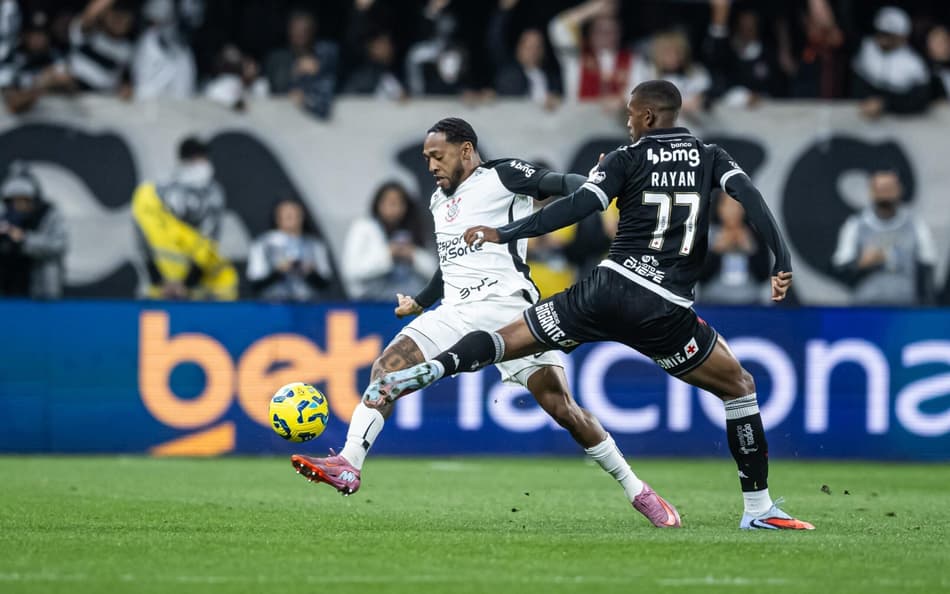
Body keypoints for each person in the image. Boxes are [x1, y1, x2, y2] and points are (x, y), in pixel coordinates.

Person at [367, 82, 814, 531]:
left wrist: (504, 233)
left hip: (607, 290)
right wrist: (782, 259)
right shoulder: (711, 155)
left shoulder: (626, 157)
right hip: (665, 308)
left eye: (630, 114)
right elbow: (751, 199)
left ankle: (437, 368)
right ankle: (758, 509)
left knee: (510, 339)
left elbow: (576, 207)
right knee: (739, 387)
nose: (627, 122)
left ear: (649, 117)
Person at [291, 117, 684, 529]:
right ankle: (349, 463)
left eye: (437, 156)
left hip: (508, 309)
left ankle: (637, 489)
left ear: (465, 150)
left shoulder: (504, 175)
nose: (431, 166)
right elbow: (450, 262)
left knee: (562, 408)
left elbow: (562, 184)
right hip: (455, 310)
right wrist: (421, 301)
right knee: (386, 368)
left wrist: (598, 181)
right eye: (427, 158)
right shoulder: (438, 201)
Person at [131, 136, 237, 300]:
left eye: (202, 157)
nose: (200, 163)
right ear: (183, 160)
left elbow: (209, 245)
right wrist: (160, 281)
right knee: (155, 324)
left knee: (192, 323)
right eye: (194, 158)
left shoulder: (214, 193)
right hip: (159, 287)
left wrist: (186, 284)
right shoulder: (159, 192)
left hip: (195, 287)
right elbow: (146, 236)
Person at [831, 171, 936, 306]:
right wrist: (860, 265)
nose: (885, 194)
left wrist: (928, 309)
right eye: (880, 189)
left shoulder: (915, 225)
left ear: (899, 190)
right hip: (865, 310)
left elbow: (927, 270)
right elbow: (838, 271)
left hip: (906, 311)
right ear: (871, 192)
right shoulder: (855, 226)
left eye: (889, 188)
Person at [341, 181, 437, 300]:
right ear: (378, 204)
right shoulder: (363, 227)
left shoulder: (415, 229)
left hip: (409, 303)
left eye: (399, 203)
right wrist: (389, 254)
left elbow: (434, 272)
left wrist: (412, 255)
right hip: (371, 303)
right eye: (389, 203)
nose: (394, 208)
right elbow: (352, 271)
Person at [0, 162, 68, 299]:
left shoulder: (49, 215)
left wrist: (24, 239)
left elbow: (58, 245)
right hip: (7, 291)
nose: (18, 205)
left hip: (40, 294)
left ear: (34, 200)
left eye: (24, 200)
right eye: (14, 201)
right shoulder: (3, 217)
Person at [246, 198, 335, 302]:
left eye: (296, 215)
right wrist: (279, 272)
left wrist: (309, 272)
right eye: (288, 216)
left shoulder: (315, 245)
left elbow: (325, 282)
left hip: (308, 307)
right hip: (273, 307)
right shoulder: (263, 244)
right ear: (278, 219)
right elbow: (255, 282)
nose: (293, 219)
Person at [851, 6, 931, 118]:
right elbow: (856, 83)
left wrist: (886, 104)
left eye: (889, 35)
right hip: (860, 118)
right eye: (881, 33)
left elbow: (920, 100)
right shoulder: (866, 49)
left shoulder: (914, 63)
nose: (883, 39)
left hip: (901, 124)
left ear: (903, 37)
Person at [697, 191, 771, 305]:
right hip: (713, 303)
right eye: (728, 205)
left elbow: (764, 275)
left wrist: (750, 249)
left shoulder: (755, 235)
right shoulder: (707, 234)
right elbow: (699, 276)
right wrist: (717, 251)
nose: (733, 211)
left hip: (750, 303)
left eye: (738, 205)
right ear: (719, 207)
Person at [486, 0, 562, 110]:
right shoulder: (509, 73)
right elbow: (494, 41)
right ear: (518, 49)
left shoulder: (553, 79)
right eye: (528, 47)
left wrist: (557, 100)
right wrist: (503, 11)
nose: (533, 51)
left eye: (537, 47)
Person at [263, 9, 338, 118]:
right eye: (296, 30)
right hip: (280, 116)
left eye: (305, 30)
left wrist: (320, 68)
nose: (300, 34)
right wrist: (294, 70)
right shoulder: (278, 58)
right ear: (289, 31)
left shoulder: (325, 54)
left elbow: (331, 83)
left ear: (312, 31)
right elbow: (275, 86)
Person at [66, 0, 134, 96]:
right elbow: (89, 15)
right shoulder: (89, 33)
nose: (119, 20)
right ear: (104, 15)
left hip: (103, 103)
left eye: (124, 17)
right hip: (72, 97)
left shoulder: (129, 49)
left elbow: (126, 81)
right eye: (115, 16)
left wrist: (126, 87)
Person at [131, 0, 196, 99]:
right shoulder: (148, 42)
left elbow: (184, 93)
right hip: (148, 106)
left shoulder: (185, 52)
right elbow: (142, 90)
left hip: (174, 107)